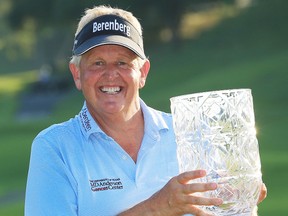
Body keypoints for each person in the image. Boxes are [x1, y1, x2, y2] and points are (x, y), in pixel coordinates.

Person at [25, 5, 267, 216]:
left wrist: (240, 204)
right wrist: (157, 208)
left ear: (142, 73)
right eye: (97, 63)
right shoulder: (55, 147)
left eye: (122, 62)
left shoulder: (191, 134)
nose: (111, 73)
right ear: (77, 74)